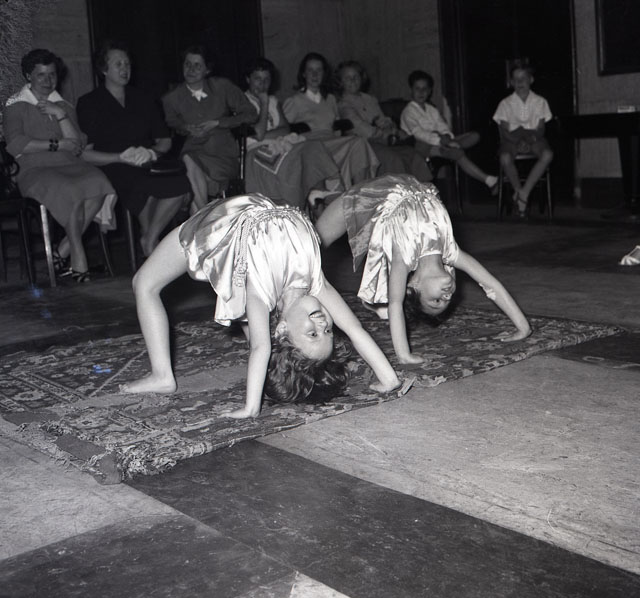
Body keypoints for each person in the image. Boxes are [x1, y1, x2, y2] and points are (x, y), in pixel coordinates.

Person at [121, 194, 402, 418]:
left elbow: (261, 347)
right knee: (248, 317)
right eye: (327, 331)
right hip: (262, 209)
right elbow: (354, 329)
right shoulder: (318, 286)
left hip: (226, 225)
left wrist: (251, 408)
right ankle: (251, 340)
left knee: (143, 283)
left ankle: (162, 375)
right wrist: (388, 378)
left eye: (312, 333)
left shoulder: (260, 293)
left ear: (282, 329)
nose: (322, 323)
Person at [314, 174, 531, 364]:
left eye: (436, 300)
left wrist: (403, 354)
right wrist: (523, 327)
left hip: (368, 200)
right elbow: (491, 284)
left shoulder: (404, 257)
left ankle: (323, 199)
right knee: (313, 248)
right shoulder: (451, 251)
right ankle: (322, 197)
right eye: (446, 301)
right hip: (406, 186)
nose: (447, 296)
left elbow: (395, 303)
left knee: (311, 249)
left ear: (413, 286)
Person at [3, 49, 116, 282]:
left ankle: (62, 250)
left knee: (99, 182)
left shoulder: (64, 104)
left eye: (52, 75)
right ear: (28, 76)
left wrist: (61, 115)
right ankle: (79, 257)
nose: (48, 80)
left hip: (70, 164)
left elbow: (78, 145)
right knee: (71, 191)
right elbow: (15, 144)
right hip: (34, 169)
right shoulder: (15, 105)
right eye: (41, 75)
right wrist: (57, 144)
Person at [77, 40, 191, 257]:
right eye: (118, 64)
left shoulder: (143, 99)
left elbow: (164, 140)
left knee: (180, 184)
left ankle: (149, 238)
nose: (125, 69)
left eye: (127, 64)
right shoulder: (89, 103)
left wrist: (151, 152)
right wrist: (120, 157)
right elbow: (85, 154)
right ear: (103, 69)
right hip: (112, 166)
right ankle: (152, 245)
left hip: (145, 162)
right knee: (140, 186)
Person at [162, 45, 258, 213]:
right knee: (189, 163)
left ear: (207, 70)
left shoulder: (222, 87)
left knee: (190, 179)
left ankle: (201, 217)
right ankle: (205, 219)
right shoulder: (171, 98)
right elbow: (169, 122)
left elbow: (250, 114)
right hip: (193, 151)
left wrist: (218, 123)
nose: (191, 69)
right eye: (187, 64)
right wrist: (185, 127)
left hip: (222, 155)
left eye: (197, 65)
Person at [243, 57, 343, 208]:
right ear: (248, 79)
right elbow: (258, 133)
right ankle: (297, 203)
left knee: (313, 147)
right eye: (257, 79)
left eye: (267, 79)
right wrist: (264, 104)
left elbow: (286, 129)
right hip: (255, 151)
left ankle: (320, 194)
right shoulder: (242, 101)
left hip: (278, 144)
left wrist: (266, 134)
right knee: (295, 160)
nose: (262, 84)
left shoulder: (273, 101)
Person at [283, 52, 379, 191]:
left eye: (319, 70)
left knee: (359, 143)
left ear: (324, 74)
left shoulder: (330, 99)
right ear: (303, 74)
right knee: (356, 143)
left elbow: (337, 126)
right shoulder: (294, 101)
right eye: (310, 70)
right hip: (313, 147)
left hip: (333, 142)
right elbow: (284, 129)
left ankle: (361, 193)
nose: (315, 74)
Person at [336, 60, 432, 183]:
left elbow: (383, 120)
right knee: (393, 159)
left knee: (413, 155)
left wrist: (392, 129)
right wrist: (386, 134)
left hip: (383, 140)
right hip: (363, 145)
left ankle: (423, 192)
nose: (353, 80)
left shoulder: (370, 99)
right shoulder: (342, 103)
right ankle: (399, 191)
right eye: (348, 78)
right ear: (340, 82)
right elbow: (364, 130)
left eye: (356, 76)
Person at [400, 70, 497, 192]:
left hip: (441, 141)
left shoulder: (431, 109)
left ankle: (452, 146)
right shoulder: (408, 111)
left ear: (429, 91)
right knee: (456, 153)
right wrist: (440, 140)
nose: (421, 92)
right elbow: (418, 133)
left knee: (475, 135)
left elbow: (442, 125)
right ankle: (489, 180)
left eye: (425, 89)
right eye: (417, 89)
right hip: (421, 146)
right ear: (411, 91)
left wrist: (446, 135)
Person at [493, 62, 554, 217]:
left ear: (531, 80)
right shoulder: (505, 103)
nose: (519, 82)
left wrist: (530, 140)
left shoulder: (540, 101)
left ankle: (524, 193)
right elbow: (504, 130)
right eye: (515, 79)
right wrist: (517, 141)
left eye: (523, 78)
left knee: (547, 154)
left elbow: (541, 128)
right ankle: (518, 190)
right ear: (511, 82)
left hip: (533, 137)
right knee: (505, 157)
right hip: (512, 138)